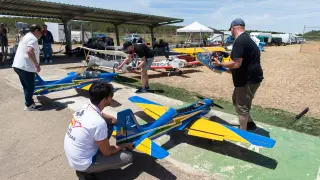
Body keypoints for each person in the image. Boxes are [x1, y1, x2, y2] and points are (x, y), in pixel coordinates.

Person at [64, 81, 133, 180]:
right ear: (104, 100)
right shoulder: (98, 123)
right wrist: (125, 144)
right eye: (111, 96)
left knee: (109, 125)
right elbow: (107, 152)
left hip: (75, 156)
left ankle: (92, 163)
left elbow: (109, 119)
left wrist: (119, 124)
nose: (112, 98)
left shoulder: (85, 107)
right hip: (82, 163)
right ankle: (87, 172)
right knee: (127, 157)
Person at [212, 18, 263, 131]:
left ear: (233, 28)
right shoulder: (246, 39)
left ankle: (243, 132)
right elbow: (242, 64)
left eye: (230, 30)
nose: (230, 32)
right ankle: (250, 124)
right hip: (250, 78)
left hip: (247, 80)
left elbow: (236, 63)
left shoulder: (239, 41)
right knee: (237, 100)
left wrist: (220, 63)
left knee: (242, 107)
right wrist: (225, 68)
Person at [12, 24, 43, 111]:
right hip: (26, 67)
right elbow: (29, 51)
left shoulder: (26, 37)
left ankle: (29, 101)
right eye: (41, 32)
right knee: (30, 86)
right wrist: (37, 64)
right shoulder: (33, 38)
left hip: (18, 65)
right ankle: (29, 105)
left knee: (26, 86)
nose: (41, 34)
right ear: (36, 31)